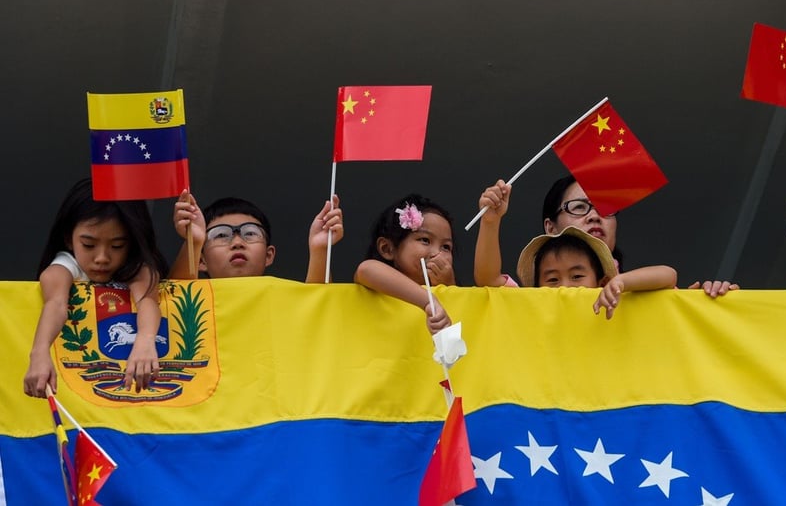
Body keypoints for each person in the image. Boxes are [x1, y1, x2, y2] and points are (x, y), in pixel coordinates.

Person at [23, 178, 168, 398]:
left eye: (117, 246)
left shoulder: (138, 269)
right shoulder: (65, 267)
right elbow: (56, 303)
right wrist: (40, 352)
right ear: (68, 239)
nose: (102, 258)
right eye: (89, 245)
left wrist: (146, 340)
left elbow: (147, 300)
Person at [475, 177, 737, 297]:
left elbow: (669, 275)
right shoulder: (535, 299)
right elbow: (488, 280)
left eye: (605, 209)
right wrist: (490, 221)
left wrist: (701, 303)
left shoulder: (639, 292)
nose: (594, 216)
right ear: (550, 227)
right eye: (579, 207)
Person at [169, 191, 342, 281]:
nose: (237, 242)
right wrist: (193, 243)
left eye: (250, 233)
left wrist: (320, 250)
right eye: (221, 234)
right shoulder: (195, 307)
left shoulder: (281, 298)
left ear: (269, 255)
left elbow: (318, 309)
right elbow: (175, 299)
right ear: (200, 261)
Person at [515, 226, 676, 319]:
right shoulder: (532, 316)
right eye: (552, 280)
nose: (564, 287)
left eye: (577, 276)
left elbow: (669, 275)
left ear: (602, 283)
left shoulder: (611, 303)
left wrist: (621, 282)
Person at [354, 194, 453, 333]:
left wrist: (449, 286)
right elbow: (366, 269)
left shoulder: (450, 285)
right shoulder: (376, 280)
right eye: (425, 240)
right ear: (387, 249)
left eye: (446, 247)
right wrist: (428, 302)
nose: (437, 253)